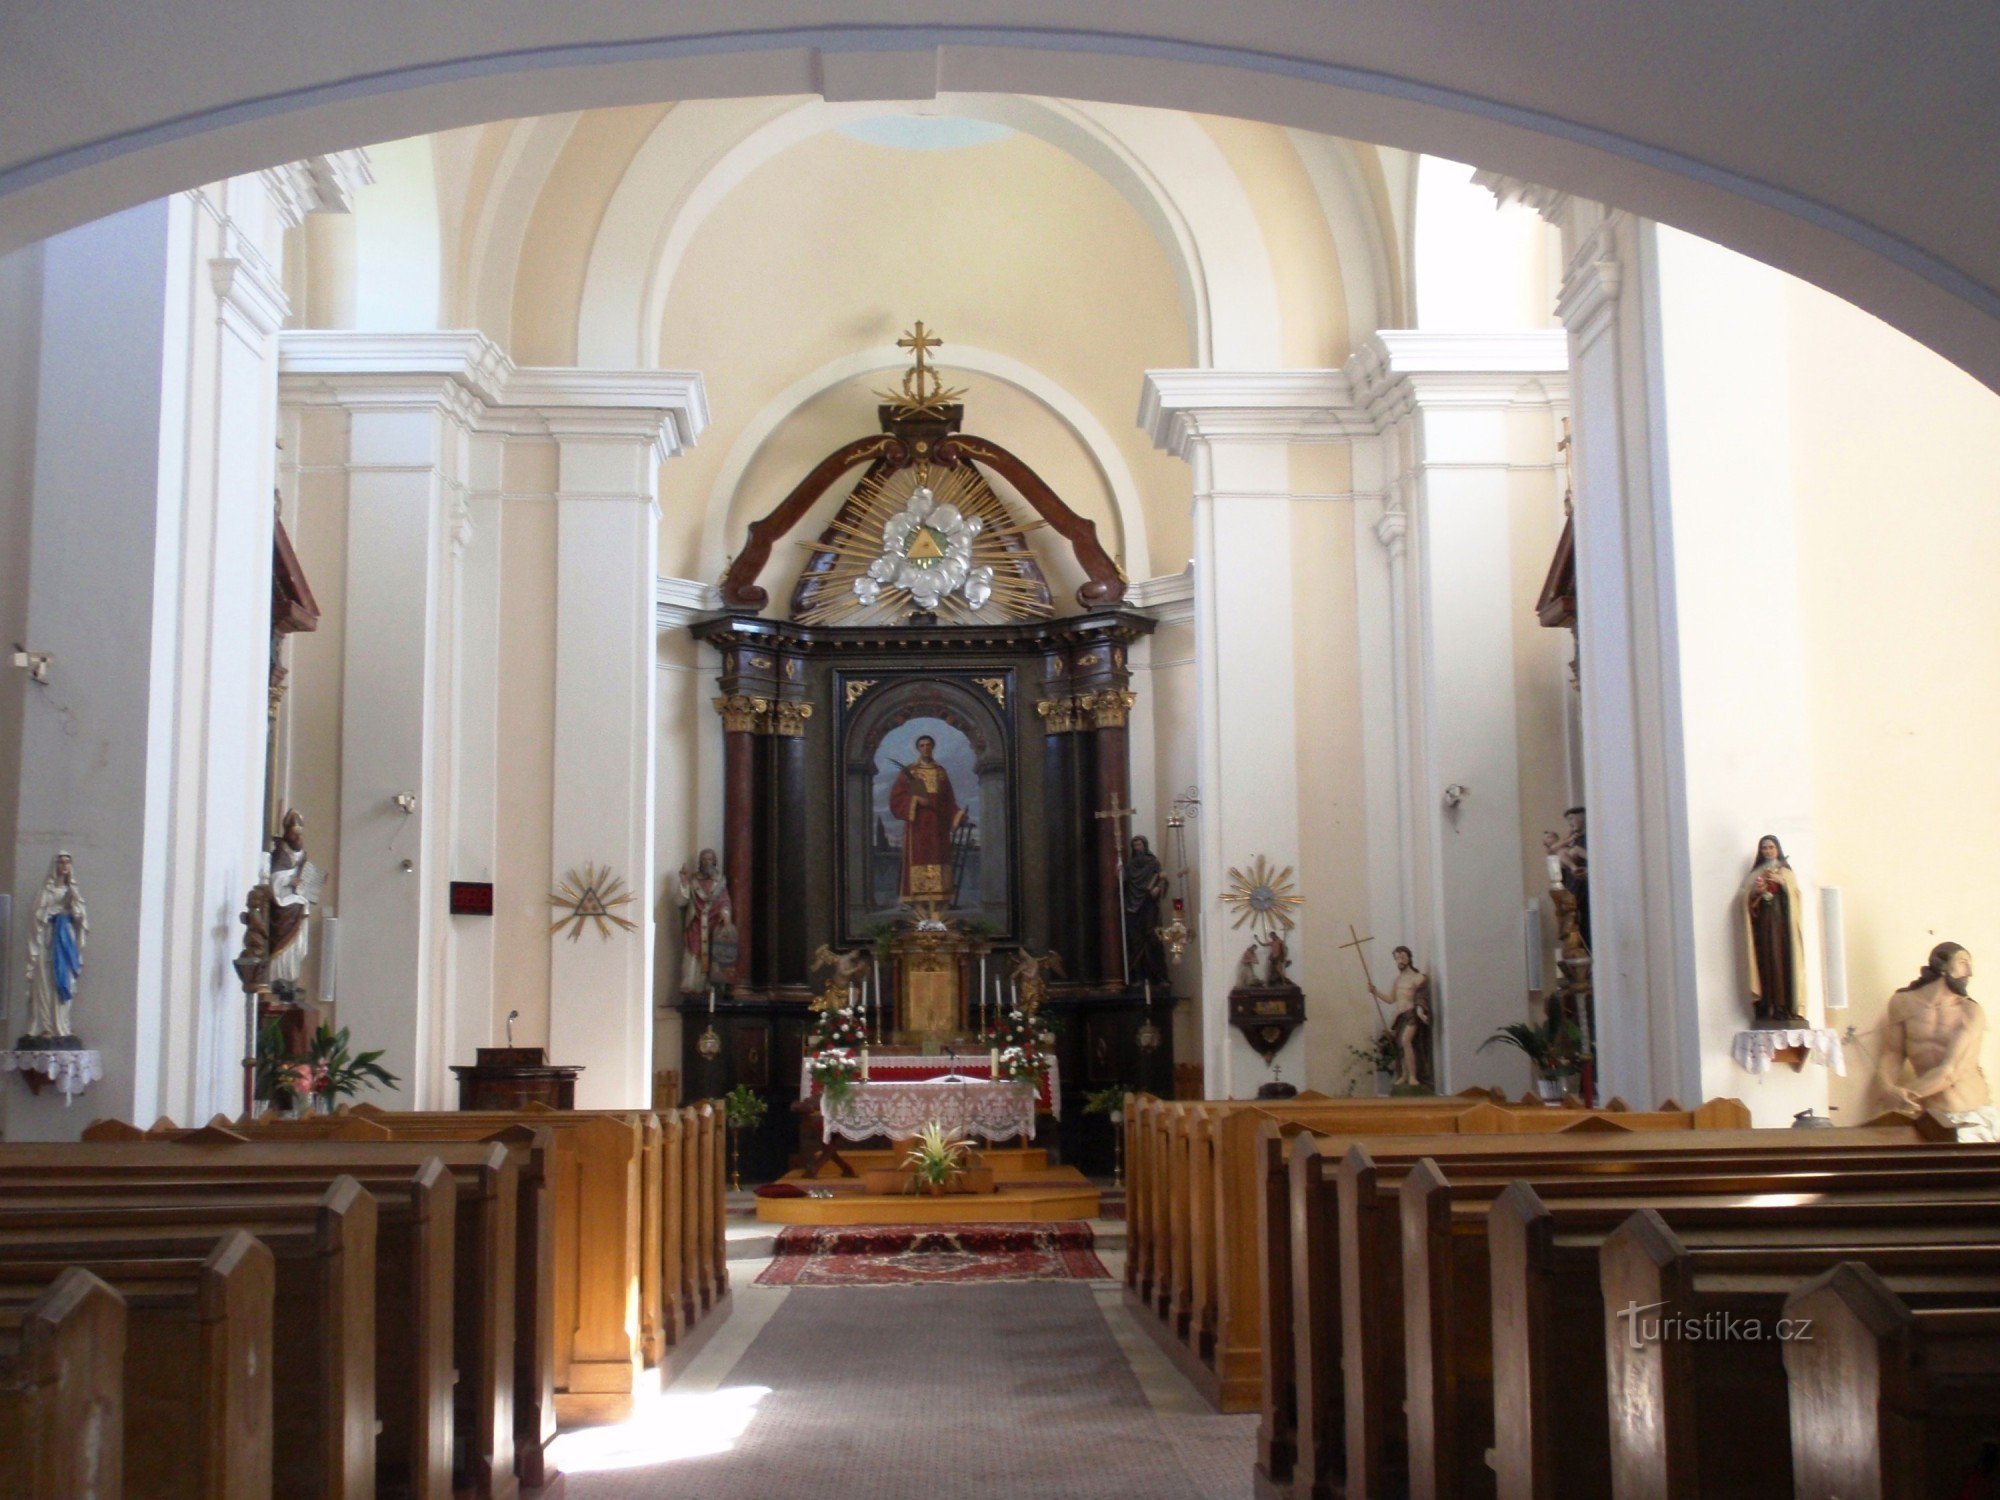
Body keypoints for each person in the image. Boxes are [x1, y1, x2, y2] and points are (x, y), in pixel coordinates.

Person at [1876, 942, 1990, 1111]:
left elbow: (1950, 1071)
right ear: (1942, 966)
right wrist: (1887, 1088)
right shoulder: (1902, 1003)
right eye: (1962, 963)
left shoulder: (1970, 1012)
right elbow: (1892, 1054)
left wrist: (1905, 1094)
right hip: (1930, 1112)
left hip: (1968, 1110)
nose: (1970, 973)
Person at [888, 734, 966, 904]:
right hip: (918, 825)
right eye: (922, 745)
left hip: (938, 824)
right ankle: (918, 900)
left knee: (938, 857)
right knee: (918, 856)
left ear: (933, 747)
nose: (925, 748)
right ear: (918, 748)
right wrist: (915, 800)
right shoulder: (911, 771)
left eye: (928, 745)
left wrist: (958, 814)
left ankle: (939, 899)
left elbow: (948, 799)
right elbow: (896, 798)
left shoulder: (940, 772)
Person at [1740, 834, 1806, 1024]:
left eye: (1771, 847)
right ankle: (1767, 1005)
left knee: (1781, 962)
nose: (1768, 851)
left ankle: (1784, 1006)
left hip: (1782, 929)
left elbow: (1795, 897)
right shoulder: (1756, 874)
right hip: (1763, 927)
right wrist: (1756, 892)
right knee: (1766, 964)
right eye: (1764, 848)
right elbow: (1744, 899)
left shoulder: (1786, 872)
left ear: (1778, 849)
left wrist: (1782, 883)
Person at [23, 852, 87, 1043]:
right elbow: (37, 917)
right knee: (44, 984)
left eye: (68, 862)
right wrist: (55, 911)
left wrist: (73, 908)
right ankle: (45, 1026)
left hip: (65, 941)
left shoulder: (73, 892)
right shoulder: (47, 892)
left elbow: (81, 918)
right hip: (48, 940)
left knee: (64, 982)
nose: (64, 866)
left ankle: (63, 1026)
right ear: (55, 866)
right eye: (61, 862)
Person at [1370, 945, 1435, 1090]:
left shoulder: (1418, 978)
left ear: (1409, 958)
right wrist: (1375, 992)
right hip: (1401, 1017)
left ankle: (1413, 1076)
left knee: (1406, 1041)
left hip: (1412, 1014)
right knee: (1400, 1046)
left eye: (1402, 957)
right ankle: (1404, 1074)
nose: (1400, 960)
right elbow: (1391, 999)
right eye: (1397, 958)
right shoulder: (1398, 980)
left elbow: (1421, 997)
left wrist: (1420, 1012)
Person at [676, 849, 732, 993]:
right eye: (704, 859)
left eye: (710, 859)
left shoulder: (719, 882)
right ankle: (692, 987)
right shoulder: (693, 881)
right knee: (693, 954)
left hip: (714, 924)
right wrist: (683, 882)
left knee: (714, 954)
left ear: (714, 861)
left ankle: (710, 988)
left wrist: (725, 913)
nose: (707, 862)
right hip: (696, 924)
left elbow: (725, 901)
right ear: (700, 862)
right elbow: (682, 902)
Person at [1123, 834, 1171, 984]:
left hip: (1149, 904)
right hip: (1133, 906)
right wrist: (1119, 871)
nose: (1138, 848)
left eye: (1140, 845)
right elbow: (1124, 883)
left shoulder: (1153, 863)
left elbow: (1163, 881)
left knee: (1153, 938)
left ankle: (1159, 977)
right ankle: (1137, 977)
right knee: (1135, 942)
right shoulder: (1130, 866)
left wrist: (1158, 887)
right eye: (1135, 846)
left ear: (1145, 845)